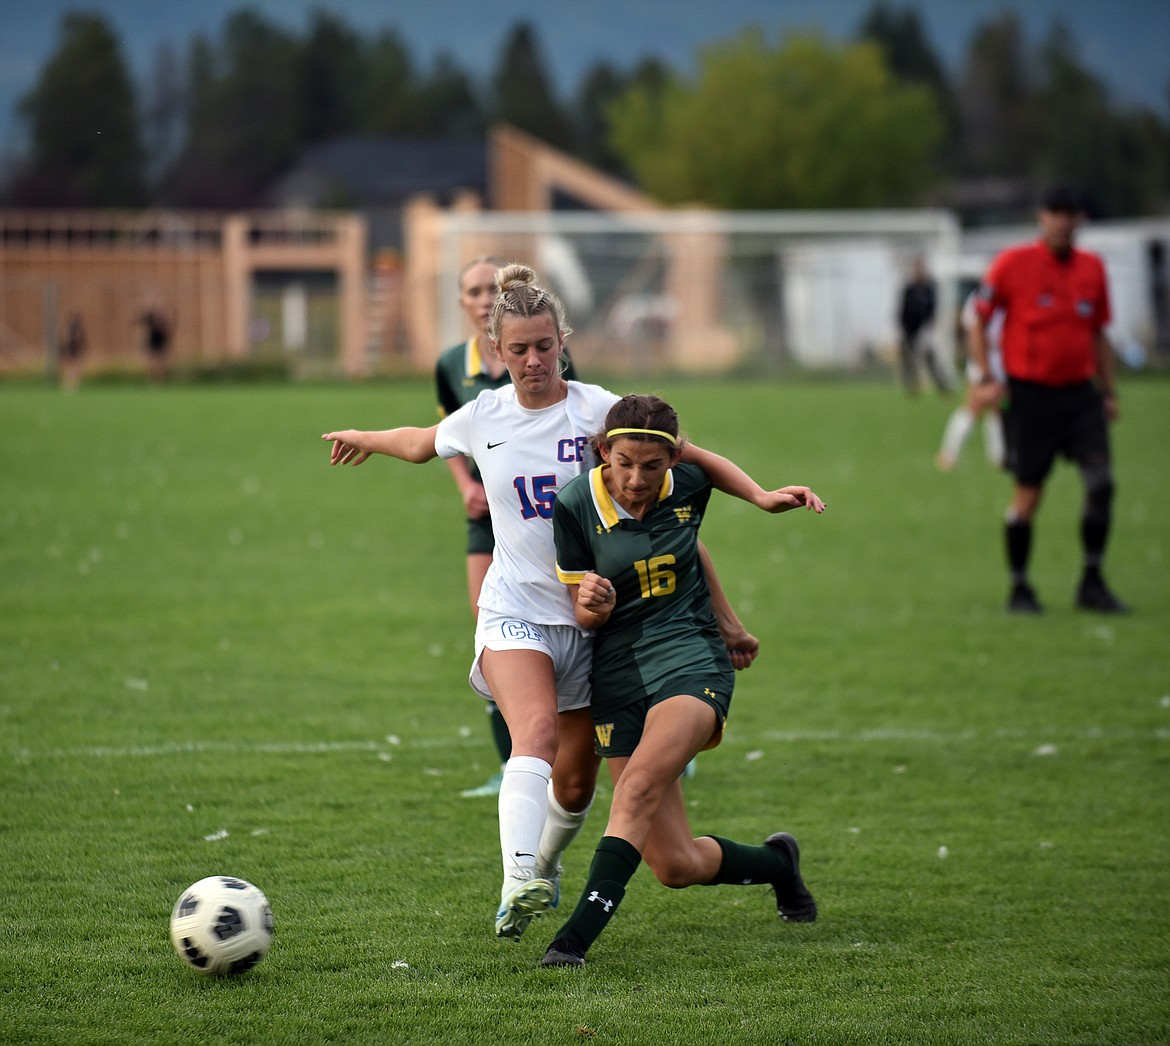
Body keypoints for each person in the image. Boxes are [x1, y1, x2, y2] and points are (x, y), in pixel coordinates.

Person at [324, 264, 796, 945]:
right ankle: (521, 878)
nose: (534, 360)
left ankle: (755, 864)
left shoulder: (601, 413)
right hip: (516, 610)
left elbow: (687, 468)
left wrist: (759, 497)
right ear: (497, 351)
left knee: (587, 798)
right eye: (518, 350)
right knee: (534, 736)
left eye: (544, 345)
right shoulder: (481, 417)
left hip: (597, 631)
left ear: (561, 341)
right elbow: (422, 443)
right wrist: (365, 438)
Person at [540, 394, 825, 969]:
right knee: (675, 866)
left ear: (673, 461)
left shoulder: (689, 484)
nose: (637, 478)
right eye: (624, 463)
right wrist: (591, 604)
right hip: (616, 673)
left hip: (691, 660)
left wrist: (762, 499)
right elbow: (583, 614)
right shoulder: (573, 504)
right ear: (603, 452)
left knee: (637, 787)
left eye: (653, 465)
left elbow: (696, 523)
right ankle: (778, 864)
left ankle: (572, 941)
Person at [435, 256, 575, 798]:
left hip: (571, 547)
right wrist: (464, 486)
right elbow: (440, 433)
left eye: (486, 288)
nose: (482, 298)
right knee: (495, 632)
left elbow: (609, 437)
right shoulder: (454, 368)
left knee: (577, 782)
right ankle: (513, 756)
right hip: (491, 515)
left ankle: (653, 739)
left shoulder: (577, 396)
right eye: (472, 290)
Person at [968, 184, 1127, 615]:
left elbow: (1098, 333)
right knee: (1029, 496)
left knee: (1102, 484)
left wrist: (1109, 392)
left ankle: (1091, 581)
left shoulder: (1093, 269)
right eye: (1054, 212)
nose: (1061, 220)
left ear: (1080, 220)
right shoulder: (1012, 264)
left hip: (1081, 396)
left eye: (1069, 213)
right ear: (1042, 217)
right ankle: (1020, 588)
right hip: (1030, 397)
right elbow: (977, 320)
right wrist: (986, 375)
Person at [935, 291, 1005, 471]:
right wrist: (982, 367)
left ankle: (999, 456)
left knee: (999, 408)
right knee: (974, 405)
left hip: (1004, 359)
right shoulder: (980, 298)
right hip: (984, 358)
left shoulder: (1011, 295)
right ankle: (949, 453)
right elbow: (973, 332)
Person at [898, 257, 949, 395]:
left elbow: (933, 309)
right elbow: (902, 311)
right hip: (910, 331)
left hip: (925, 329)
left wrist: (927, 327)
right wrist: (905, 329)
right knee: (908, 360)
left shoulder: (929, 288)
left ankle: (942, 385)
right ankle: (912, 387)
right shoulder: (909, 289)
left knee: (930, 357)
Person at [139, 306, 174, 383]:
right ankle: (153, 379)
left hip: (161, 340)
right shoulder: (150, 317)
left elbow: (169, 328)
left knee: (161, 360)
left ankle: (160, 379)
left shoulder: (165, 320)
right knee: (152, 360)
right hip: (153, 340)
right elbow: (138, 320)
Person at [59, 311, 87, 392]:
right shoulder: (70, 329)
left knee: (75, 367)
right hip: (71, 349)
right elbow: (66, 340)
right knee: (71, 367)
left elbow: (83, 340)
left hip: (75, 350)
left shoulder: (79, 329)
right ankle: (69, 384)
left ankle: (72, 384)